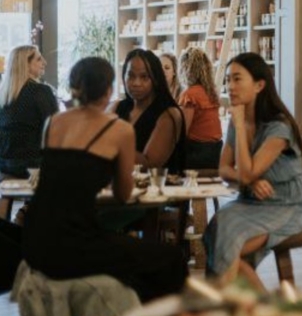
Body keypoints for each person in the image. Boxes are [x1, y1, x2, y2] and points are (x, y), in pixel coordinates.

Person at [23, 57, 188, 302]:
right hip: (75, 240)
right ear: (109, 89)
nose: (136, 83)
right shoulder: (118, 129)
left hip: (35, 238)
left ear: (74, 87)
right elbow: (123, 194)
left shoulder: (53, 122)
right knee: (171, 260)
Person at [202, 52, 302, 292]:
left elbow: (245, 173)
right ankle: (260, 309)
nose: (230, 86)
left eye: (237, 79)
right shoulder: (236, 121)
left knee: (223, 239)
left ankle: (218, 308)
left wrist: (239, 127)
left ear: (260, 85)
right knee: (218, 229)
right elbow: (225, 169)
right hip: (249, 201)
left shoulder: (278, 126)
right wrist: (251, 179)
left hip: (284, 206)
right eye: (228, 80)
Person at [113, 49, 186, 174]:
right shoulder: (117, 107)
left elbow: (149, 164)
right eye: (130, 76)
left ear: (156, 79)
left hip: (161, 189)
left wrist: (107, 145)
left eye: (144, 77)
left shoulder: (169, 115)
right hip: (121, 187)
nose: (136, 83)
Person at [0, 45, 58, 181]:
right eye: (38, 59)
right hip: (32, 164)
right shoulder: (40, 91)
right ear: (25, 65)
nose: (44, 62)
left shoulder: (4, 95)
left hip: (4, 164)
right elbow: (55, 128)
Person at [178, 47, 222, 170]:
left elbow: (183, 130)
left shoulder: (189, 94)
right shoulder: (211, 93)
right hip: (216, 150)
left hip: (197, 151)